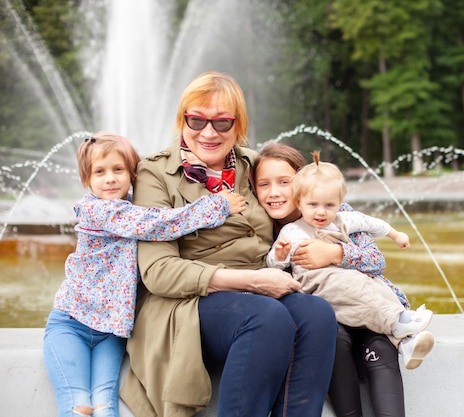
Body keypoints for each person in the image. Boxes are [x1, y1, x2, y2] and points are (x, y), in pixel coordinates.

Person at [119, 71, 338, 417]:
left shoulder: (255, 165)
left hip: (261, 293)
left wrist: (340, 249)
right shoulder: (155, 174)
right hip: (188, 302)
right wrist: (251, 281)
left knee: (317, 314)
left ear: (238, 126)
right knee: (265, 317)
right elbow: (158, 272)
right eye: (196, 120)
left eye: (222, 123)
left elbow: (321, 203)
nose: (208, 132)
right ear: (182, 120)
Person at [43, 132, 246, 417]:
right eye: (99, 172)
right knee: (78, 404)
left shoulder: (132, 207)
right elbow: (156, 223)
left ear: (132, 174)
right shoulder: (98, 211)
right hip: (71, 323)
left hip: (111, 331)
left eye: (118, 170)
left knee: (104, 404)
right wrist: (217, 205)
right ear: (86, 180)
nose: (110, 178)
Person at [254, 143, 435, 417]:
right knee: (335, 341)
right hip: (325, 314)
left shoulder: (337, 214)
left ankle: (403, 337)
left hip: (362, 302)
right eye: (264, 184)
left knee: (380, 348)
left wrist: (335, 252)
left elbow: (377, 262)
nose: (275, 192)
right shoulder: (264, 228)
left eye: (284, 182)